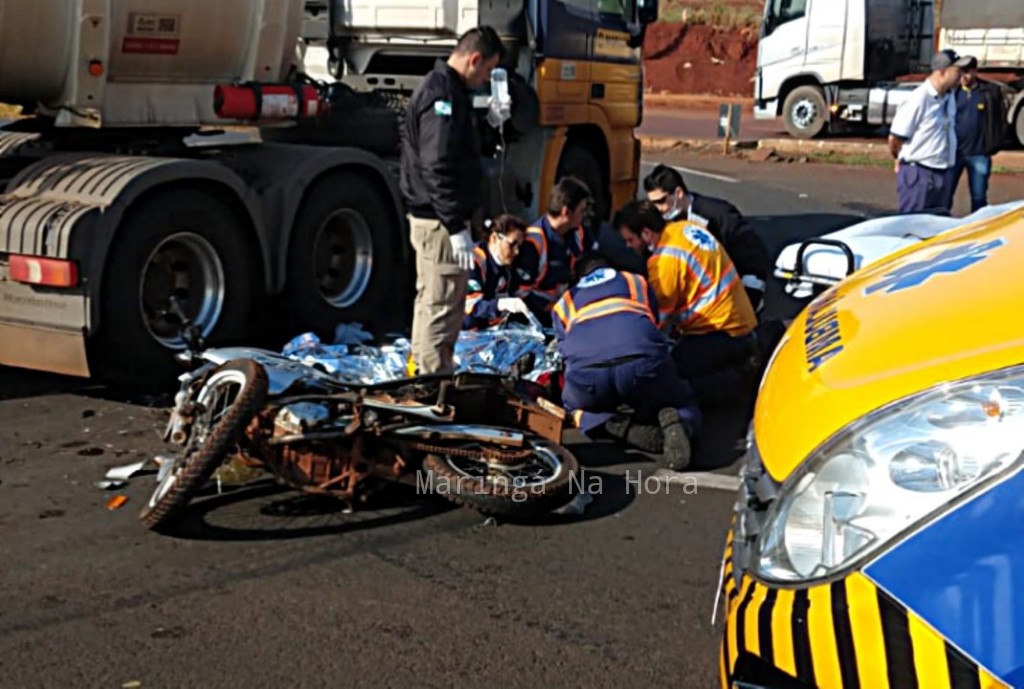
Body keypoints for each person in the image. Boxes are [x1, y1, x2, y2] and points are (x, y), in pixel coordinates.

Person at [400, 26, 505, 374]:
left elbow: (455, 153)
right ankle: (431, 385)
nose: (486, 78)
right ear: (474, 60)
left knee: (435, 300)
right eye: (487, 70)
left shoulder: (449, 91)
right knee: (441, 304)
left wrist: (492, 123)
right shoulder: (441, 96)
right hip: (439, 221)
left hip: (438, 218)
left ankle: (425, 371)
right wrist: (456, 225)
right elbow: (437, 166)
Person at [553, 251, 701, 470]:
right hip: (642, 362)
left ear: (579, 277)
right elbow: (652, 322)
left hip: (589, 375)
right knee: (679, 397)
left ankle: (613, 426)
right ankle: (678, 418)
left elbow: (563, 349)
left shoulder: (565, 301)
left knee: (574, 408)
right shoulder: (636, 282)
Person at [614, 200, 758, 405]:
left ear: (646, 234)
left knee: (670, 377)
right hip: (740, 321)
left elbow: (657, 323)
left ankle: (738, 381)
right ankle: (743, 358)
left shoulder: (664, 262)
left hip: (719, 331)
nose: (628, 246)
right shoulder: (684, 228)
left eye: (630, 240)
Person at [642, 164, 770, 312]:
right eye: (652, 204)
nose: (658, 208)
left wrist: (750, 297)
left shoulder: (718, 214)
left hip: (730, 293)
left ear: (678, 193)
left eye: (661, 201)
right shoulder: (661, 221)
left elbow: (752, 254)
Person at [888, 49, 973, 214]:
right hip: (919, 173)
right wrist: (899, 158)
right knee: (913, 225)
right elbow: (895, 139)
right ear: (942, 71)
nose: (962, 75)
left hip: (943, 171)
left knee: (938, 226)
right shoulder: (918, 99)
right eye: (958, 70)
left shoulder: (949, 97)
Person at [516, 176, 598, 323]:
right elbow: (521, 293)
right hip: (540, 315)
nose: (584, 216)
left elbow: (595, 260)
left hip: (569, 305)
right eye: (581, 211)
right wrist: (554, 308)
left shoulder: (578, 232)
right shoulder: (533, 242)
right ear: (566, 212)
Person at [946, 56, 1007, 213]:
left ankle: (979, 229)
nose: (963, 77)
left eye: (966, 72)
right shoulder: (952, 92)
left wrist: (994, 144)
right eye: (960, 72)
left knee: (979, 198)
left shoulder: (988, 92)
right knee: (945, 196)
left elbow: (999, 119)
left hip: (979, 153)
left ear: (975, 71)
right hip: (954, 154)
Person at [463, 214, 535, 329]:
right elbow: (471, 306)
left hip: (495, 331)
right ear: (494, 238)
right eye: (512, 244)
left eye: (519, 246)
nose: (516, 251)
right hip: (468, 334)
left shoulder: (509, 265)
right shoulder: (474, 260)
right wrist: (501, 304)